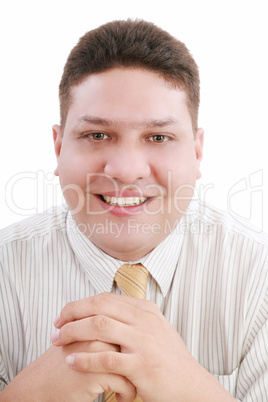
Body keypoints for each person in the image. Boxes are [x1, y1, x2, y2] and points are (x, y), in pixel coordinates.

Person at [0, 19, 267, 402]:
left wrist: (191, 388)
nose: (125, 170)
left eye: (159, 137)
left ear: (196, 150)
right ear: (58, 148)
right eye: (97, 135)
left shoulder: (260, 279)